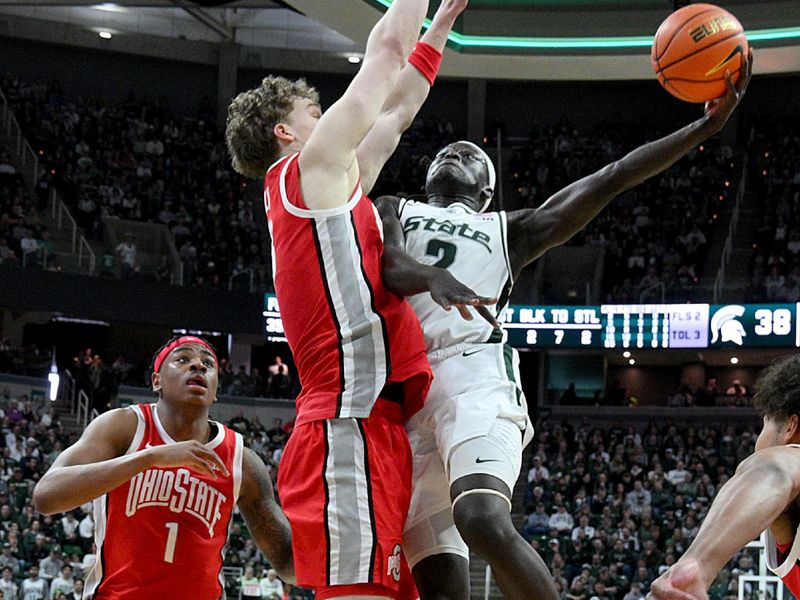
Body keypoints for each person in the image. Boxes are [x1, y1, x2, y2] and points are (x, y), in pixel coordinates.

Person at [377, 53, 753, 600]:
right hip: (407, 395)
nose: (457, 153)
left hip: (473, 376)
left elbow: (613, 178)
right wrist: (433, 275)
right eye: (449, 151)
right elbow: (388, 264)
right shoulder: (393, 205)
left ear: (486, 195)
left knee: (481, 517)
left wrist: (703, 126)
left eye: (472, 156)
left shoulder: (511, 229)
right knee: (438, 584)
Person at [225, 1, 489, 599]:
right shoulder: (308, 170)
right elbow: (385, 55)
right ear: (284, 132)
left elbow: (396, 109)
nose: (328, 113)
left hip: (375, 423)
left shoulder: (332, 180)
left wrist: (443, 22)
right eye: (314, 110)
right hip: (345, 424)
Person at [32, 336, 293, 599]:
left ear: (215, 390)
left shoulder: (242, 460)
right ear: (156, 381)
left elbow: (288, 564)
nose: (198, 366)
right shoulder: (123, 427)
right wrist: (149, 457)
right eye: (183, 359)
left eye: (208, 363)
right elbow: (46, 497)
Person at [647, 354, 800, 600]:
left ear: (791, 427)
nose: (757, 441)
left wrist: (696, 564)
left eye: (764, 425)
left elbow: (775, 467)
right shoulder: (788, 517)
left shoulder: (784, 460)